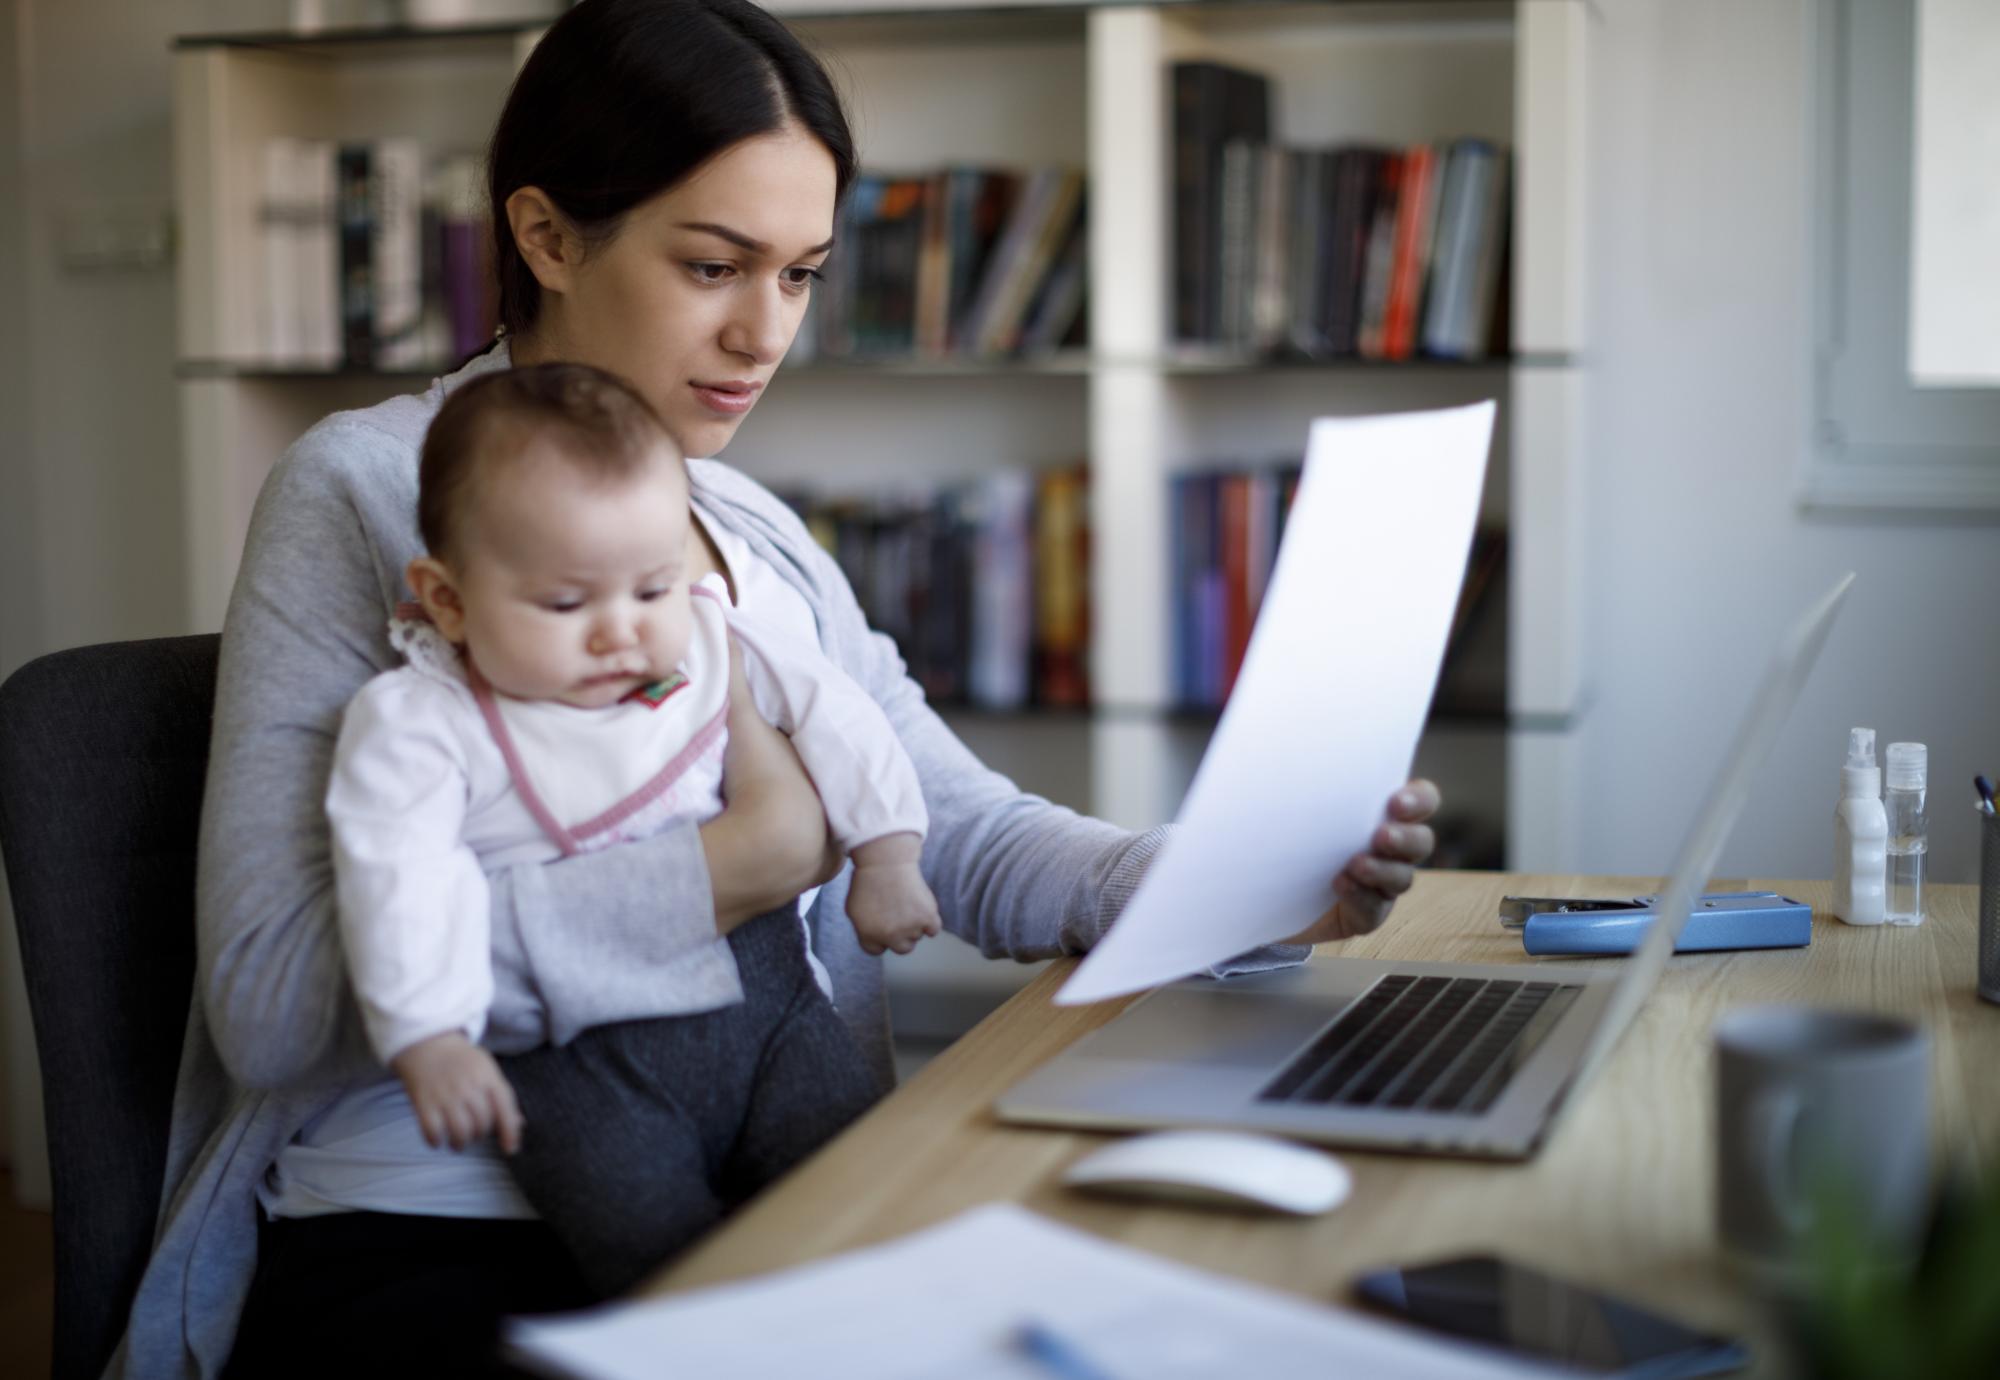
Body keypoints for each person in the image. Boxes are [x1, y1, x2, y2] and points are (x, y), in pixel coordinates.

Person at [116, 2, 1441, 1376]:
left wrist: (1250, 883)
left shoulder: (753, 532)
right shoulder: (371, 492)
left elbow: (962, 830)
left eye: (801, 275)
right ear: (547, 235)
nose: (765, 333)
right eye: (713, 265)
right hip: (445, 1227)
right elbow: (268, 1000)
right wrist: (728, 871)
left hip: (777, 1181)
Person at [330, 361, 940, 1297]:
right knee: (661, 1267)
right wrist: (429, 1033)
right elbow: (395, 875)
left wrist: (886, 850)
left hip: (771, 1014)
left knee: (860, 1210)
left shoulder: (706, 632)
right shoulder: (421, 722)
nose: (622, 633)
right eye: (568, 604)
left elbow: (839, 711)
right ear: (447, 599)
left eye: (650, 588)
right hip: (576, 1063)